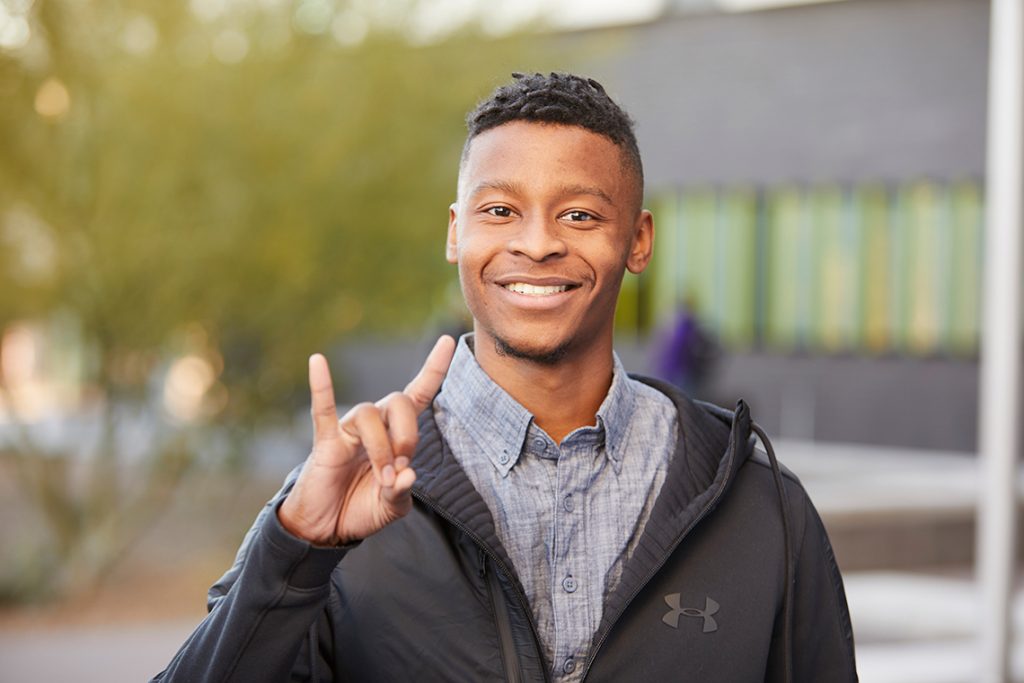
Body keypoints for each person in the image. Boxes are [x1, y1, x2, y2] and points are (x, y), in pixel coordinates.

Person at [153, 72, 857, 682]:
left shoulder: (761, 508)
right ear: (457, 232)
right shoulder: (341, 505)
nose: (538, 241)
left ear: (637, 240)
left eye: (579, 214)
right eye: (500, 211)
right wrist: (295, 554)